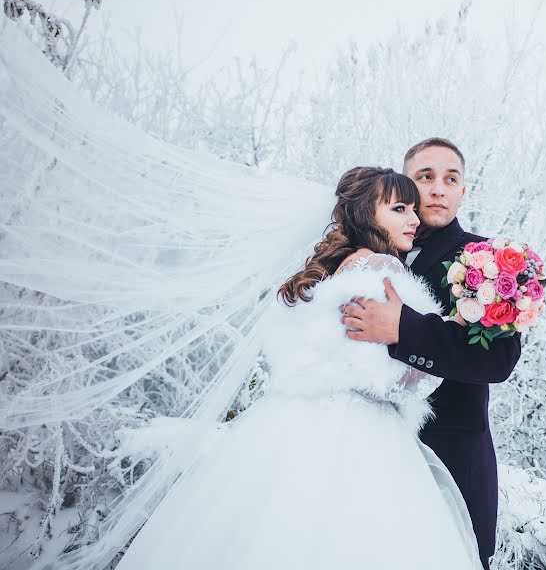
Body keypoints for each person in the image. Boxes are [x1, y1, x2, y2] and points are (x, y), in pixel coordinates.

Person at [111, 167, 483, 570]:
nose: (414, 219)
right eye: (399, 208)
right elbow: (381, 379)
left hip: (290, 423)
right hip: (359, 433)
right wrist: (449, 337)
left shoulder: (333, 269)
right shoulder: (382, 268)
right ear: (364, 214)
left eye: (413, 209)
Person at [341, 138, 522, 569]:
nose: (438, 188)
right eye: (425, 177)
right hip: (358, 449)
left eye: (451, 178)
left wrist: (402, 329)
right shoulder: (362, 256)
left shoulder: (488, 261)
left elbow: (497, 361)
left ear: (463, 191)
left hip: (451, 455)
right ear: (405, 185)